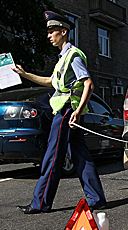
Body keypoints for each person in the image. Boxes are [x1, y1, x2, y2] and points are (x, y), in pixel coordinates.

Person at [14, 11, 107, 214]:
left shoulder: (73, 55)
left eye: (52, 31)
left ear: (63, 32)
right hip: (68, 111)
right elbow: (50, 81)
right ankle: (96, 198)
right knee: (81, 155)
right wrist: (25, 74)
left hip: (66, 111)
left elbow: (88, 84)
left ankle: (40, 203)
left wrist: (78, 111)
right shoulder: (62, 58)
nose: (49, 35)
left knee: (53, 156)